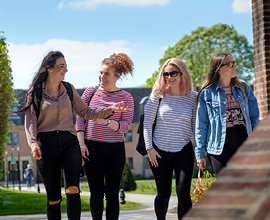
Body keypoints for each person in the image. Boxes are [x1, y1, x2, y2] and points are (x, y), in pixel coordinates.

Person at [16, 51, 130, 220]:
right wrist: (33, 143)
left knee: (73, 189)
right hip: (46, 144)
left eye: (66, 66)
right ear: (49, 68)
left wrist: (110, 110)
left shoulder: (69, 89)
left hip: (69, 143)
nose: (66, 70)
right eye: (62, 66)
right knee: (54, 198)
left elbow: (85, 112)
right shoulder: (36, 91)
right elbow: (31, 121)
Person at [76, 53, 134, 220]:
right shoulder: (90, 92)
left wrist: (105, 121)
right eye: (101, 72)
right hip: (91, 148)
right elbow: (79, 119)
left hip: (115, 150)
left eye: (107, 73)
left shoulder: (126, 97)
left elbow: (124, 127)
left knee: (112, 195)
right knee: (96, 194)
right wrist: (81, 144)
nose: (102, 76)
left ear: (117, 76)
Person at [143, 58, 197, 220]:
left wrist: (200, 150)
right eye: (166, 74)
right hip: (159, 151)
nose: (169, 77)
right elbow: (146, 122)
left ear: (182, 74)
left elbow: (195, 126)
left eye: (173, 73)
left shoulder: (193, 96)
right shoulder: (158, 95)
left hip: (184, 150)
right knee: (164, 194)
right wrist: (149, 148)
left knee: (183, 193)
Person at [195, 52, 260, 175]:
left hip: (242, 140)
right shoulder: (207, 93)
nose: (234, 66)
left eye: (235, 63)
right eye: (230, 64)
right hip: (218, 146)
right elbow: (201, 125)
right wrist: (199, 153)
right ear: (219, 68)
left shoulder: (244, 88)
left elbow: (255, 117)